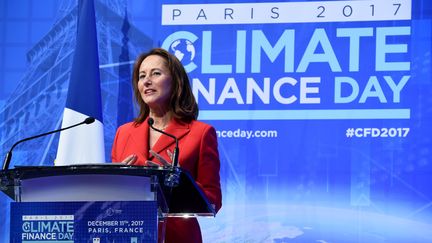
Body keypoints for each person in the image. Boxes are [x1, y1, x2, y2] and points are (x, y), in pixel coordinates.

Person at [111, 48, 222, 243]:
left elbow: (213, 201)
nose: (146, 81)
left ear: (175, 82)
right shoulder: (124, 133)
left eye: (156, 73)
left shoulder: (201, 133)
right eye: (141, 76)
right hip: (128, 234)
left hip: (178, 237)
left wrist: (181, 183)